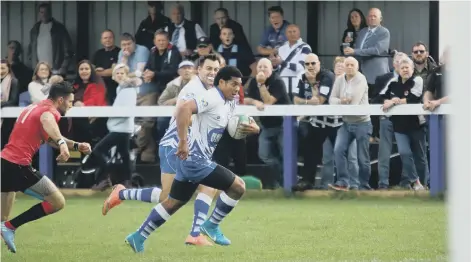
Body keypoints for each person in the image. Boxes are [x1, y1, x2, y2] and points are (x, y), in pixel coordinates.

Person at [126, 66, 257, 253]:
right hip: (195, 160)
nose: (237, 89)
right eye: (233, 84)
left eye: (240, 85)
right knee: (238, 186)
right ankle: (211, 225)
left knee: (173, 202)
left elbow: (232, 124)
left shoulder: (231, 102)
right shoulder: (212, 96)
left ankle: (138, 236)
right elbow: (183, 108)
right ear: (221, 83)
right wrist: (182, 142)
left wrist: (253, 129)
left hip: (193, 161)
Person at [101, 55, 223, 246]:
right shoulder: (193, 89)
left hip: (183, 147)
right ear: (199, 70)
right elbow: (183, 114)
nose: (212, 73)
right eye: (209, 68)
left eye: (216, 69)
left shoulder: (210, 91)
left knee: (171, 196)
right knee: (206, 185)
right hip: (176, 146)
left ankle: (123, 195)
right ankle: (195, 234)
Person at [0, 82, 92, 253]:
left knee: (1, 220)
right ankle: (11, 227)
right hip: (18, 165)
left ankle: (7, 227)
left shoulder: (35, 106)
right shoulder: (50, 112)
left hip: (4, 161)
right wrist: (62, 142)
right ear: (60, 100)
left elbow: (48, 137)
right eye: (70, 102)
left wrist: (76, 146)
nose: (70, 106)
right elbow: (47, 120)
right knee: (57, 202)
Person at [81, 63, 141, 186]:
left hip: (120, 128)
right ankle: (127, 182)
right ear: (113, 77)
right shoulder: (123, 89)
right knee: (124, 155)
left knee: (98, 150)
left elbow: (125, 111)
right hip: (123, 128)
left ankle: (107, 175)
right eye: (117, 73)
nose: (119, 75)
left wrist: (107, 115)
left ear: (126, 75)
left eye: (122, 73)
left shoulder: (128, 90)